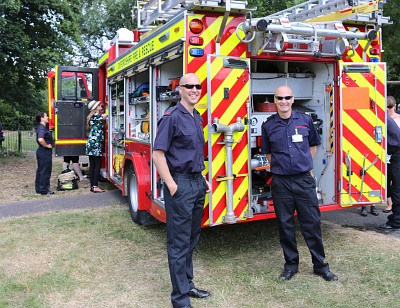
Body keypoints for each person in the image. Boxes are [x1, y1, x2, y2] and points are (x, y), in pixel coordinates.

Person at [261, 85, 338, 282]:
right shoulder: (268, 125)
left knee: (311, 223)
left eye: (287, 97)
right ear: (275, 100)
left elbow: (313, 146)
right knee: (285, 225)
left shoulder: (305, 120)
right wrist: (283, 167)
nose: (284, 101)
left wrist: (300, 165)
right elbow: (268, 154)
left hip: (304, 180)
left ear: (293, 99)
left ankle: (320, 266)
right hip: (281, 182)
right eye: (280, 98)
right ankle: (291, 265)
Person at [152, 73, 211, 308]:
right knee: (178, 242)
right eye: (190, 86)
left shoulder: (196, 117)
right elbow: (158, 154)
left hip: (196, 183)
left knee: (191, 239)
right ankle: (179, 299)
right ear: (180, 90)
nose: (195, 89)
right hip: (180, 185)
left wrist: (202, 177)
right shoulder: (171, 117)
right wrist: (172, 184)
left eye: (198, 86)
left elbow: (192, 153)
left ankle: (188, 284)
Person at [377, 114, 400, 230]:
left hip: (398, 153)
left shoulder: (380, 117)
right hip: (396, 153)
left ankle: (396, 222)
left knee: (397, 190)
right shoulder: (385, 117)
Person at [383, 96, 400, 213]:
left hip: (395, 153)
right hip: (386, 153)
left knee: (396, 181)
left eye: (390, 107)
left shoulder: (397, 119)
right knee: (386, 179)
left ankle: (394, 208)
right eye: (386, 107)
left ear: (394, 106)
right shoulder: (383, 119)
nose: (388, 110)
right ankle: (390, 203)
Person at [86, 100, 106, 193]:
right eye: (99, 105)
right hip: (96, 144)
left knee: (92, 165)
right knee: (97, 165)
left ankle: (92, 186)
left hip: (91, 143)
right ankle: (95, 186)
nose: (100, 105)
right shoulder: (97, 116)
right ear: (95, 107)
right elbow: (106, 116)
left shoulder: (92, 117)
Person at [34, 112, 55, 195]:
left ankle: (39, 188)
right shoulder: (42, 128)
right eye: (46, 116)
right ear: (42, 118)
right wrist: (47, 146)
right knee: (45, 171)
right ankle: (44, 189)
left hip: (41, 151)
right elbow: (40, 139)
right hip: (44, 152)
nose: (48, 117)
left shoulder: (41, 127)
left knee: (41, 170)